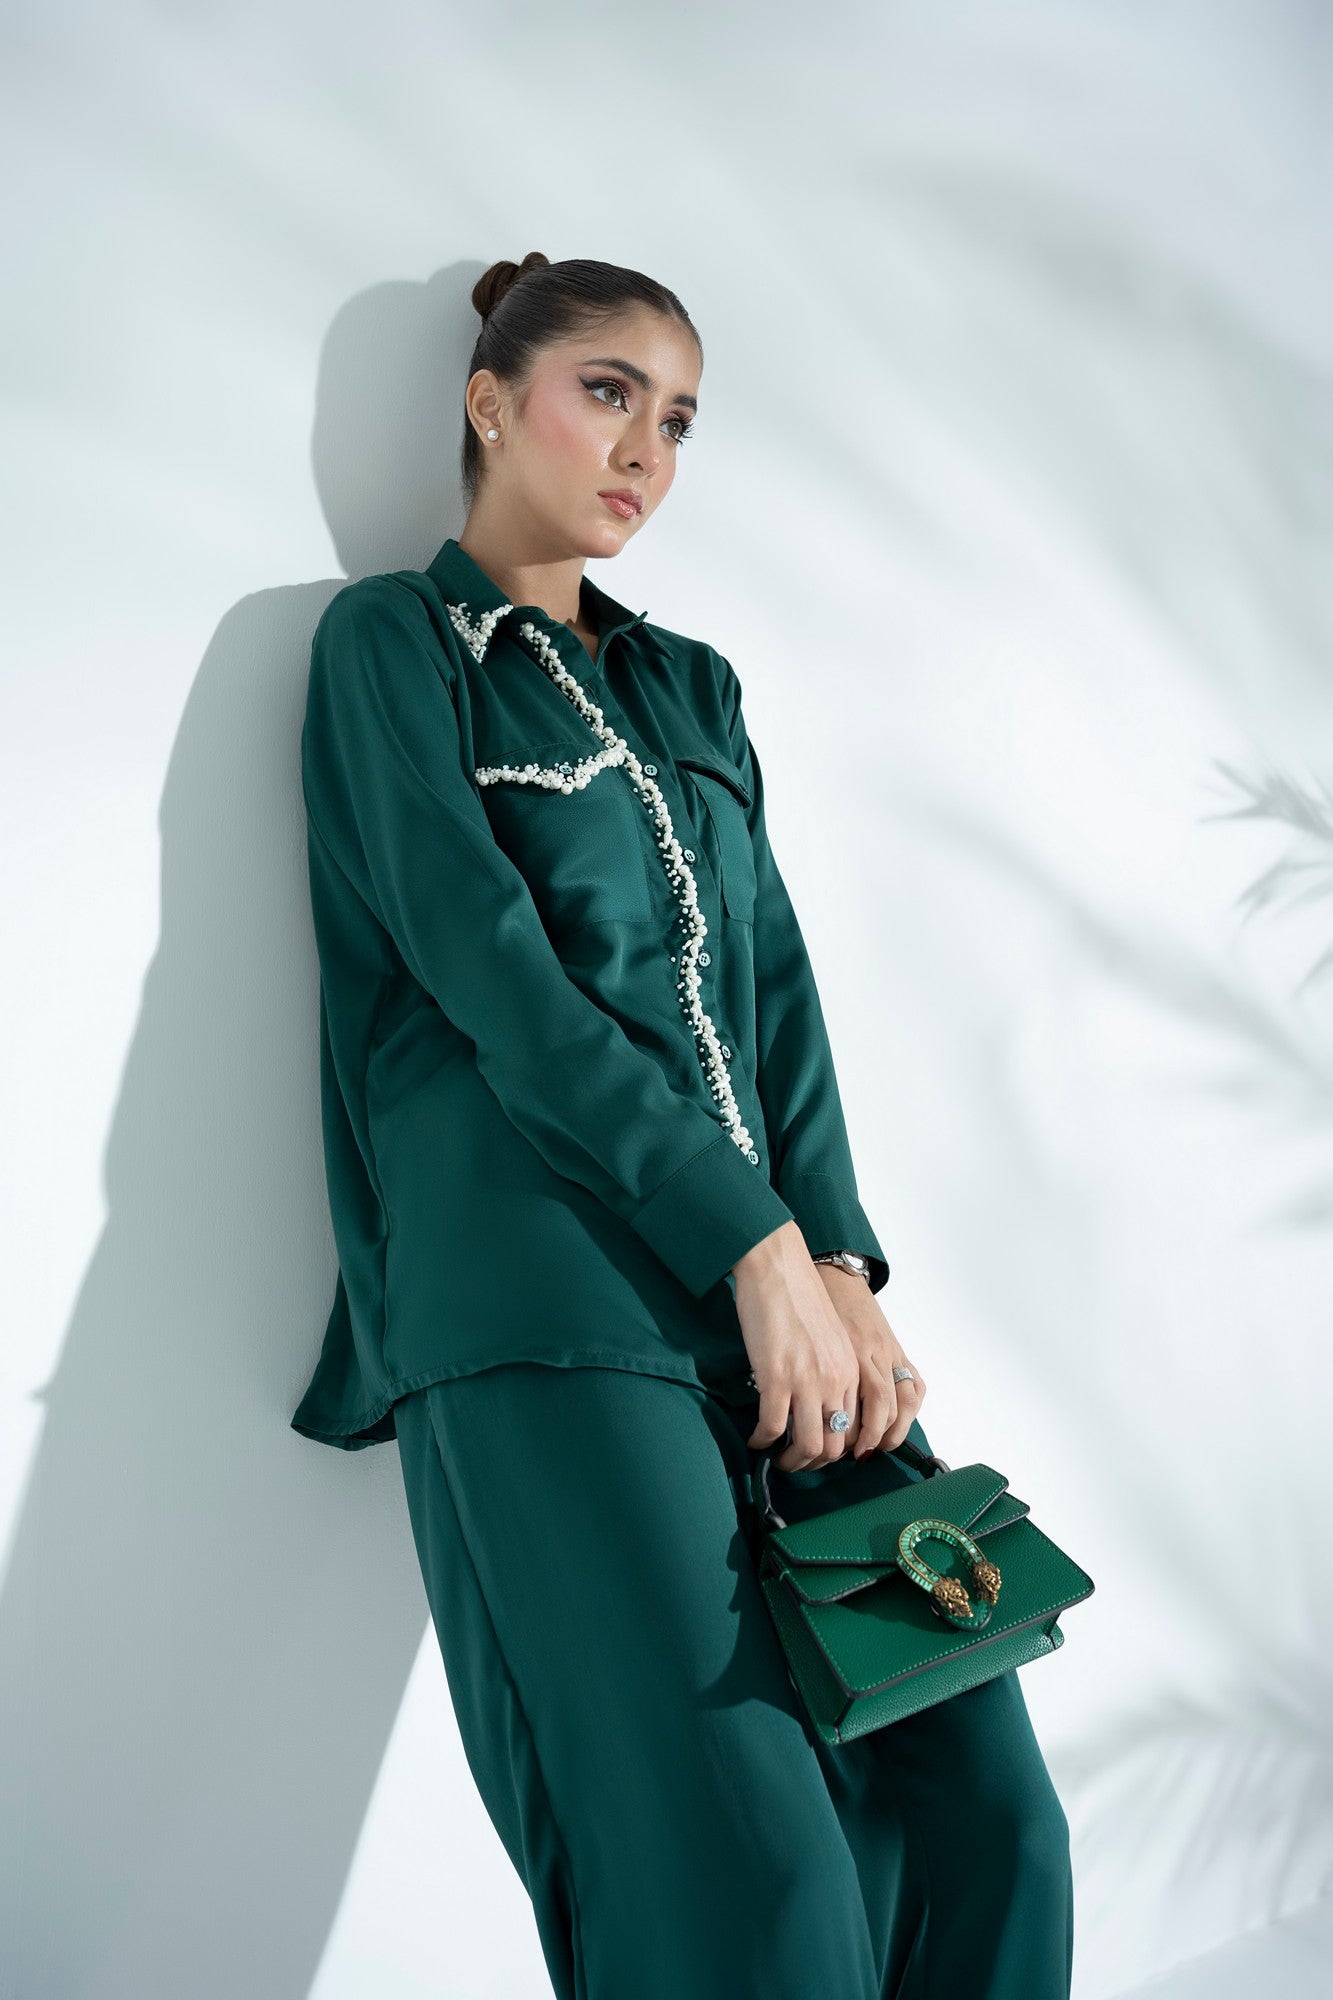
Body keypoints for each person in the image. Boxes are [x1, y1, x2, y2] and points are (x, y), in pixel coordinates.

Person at [292, 251, 1074, 1999]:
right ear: (490, 402)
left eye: (681, 418)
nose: (647, 446)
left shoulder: (691, 689)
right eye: (608, 392)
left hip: (776, 1298)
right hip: (548, 1300)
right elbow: (493, 977)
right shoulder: (395, 649)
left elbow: (775, 989)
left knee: (991, 1824)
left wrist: (836, 1261)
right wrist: (750, 1237)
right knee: (751, 1871)